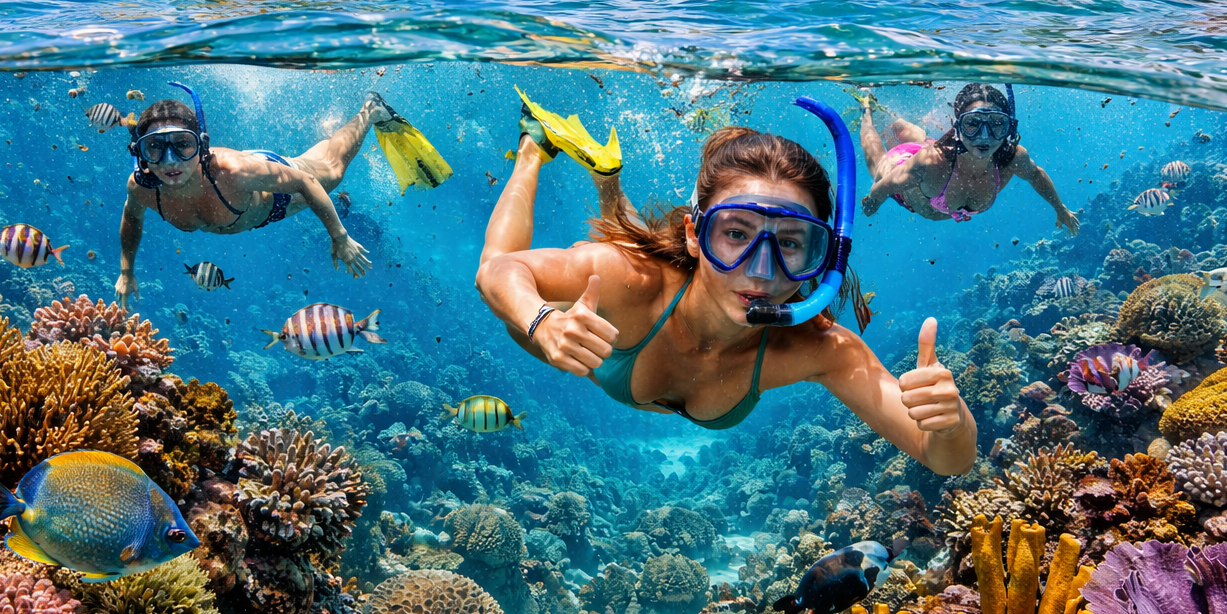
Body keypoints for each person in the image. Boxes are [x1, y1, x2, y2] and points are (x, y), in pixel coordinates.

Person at [474, 90, 978, 476]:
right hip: (582, 313)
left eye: (790, 242)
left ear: (821, 256)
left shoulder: (819, 349)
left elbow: (944, 460)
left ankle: (609, 179)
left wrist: (952, 421)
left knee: (637, 240)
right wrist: (541, 322)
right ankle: (533, 148)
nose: (761, 268)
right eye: (735, 234)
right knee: (526, 260)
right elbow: (497, 272)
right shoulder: (627, 278)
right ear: (696, 234)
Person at [116, 84, 451, 307]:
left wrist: (339, 236)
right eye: (155, 148)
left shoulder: (234, 171)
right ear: (139, 152)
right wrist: (126, 270)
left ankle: (370, 111)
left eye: (183, 144)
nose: (171, 161)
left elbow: (305, 182)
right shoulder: (142, 188)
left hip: (272, 192)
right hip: (246, 186)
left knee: (330, 170)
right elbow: (131, 216)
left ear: (200, 144)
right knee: (320, 158)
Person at [859, 83, 1080, 234]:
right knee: (878, 164)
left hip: (941, 149)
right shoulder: (929, 163)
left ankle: (895, 120)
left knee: (920, 137)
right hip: (907, 163)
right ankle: (866, 108)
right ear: (958, 127)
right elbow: (882, 187)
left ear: (1009, 127)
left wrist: (1059, 208)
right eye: (973, 124)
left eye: (996, 124)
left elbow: (1036, 175)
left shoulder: (1012, 158)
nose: (984, 137)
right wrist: (873, 202)